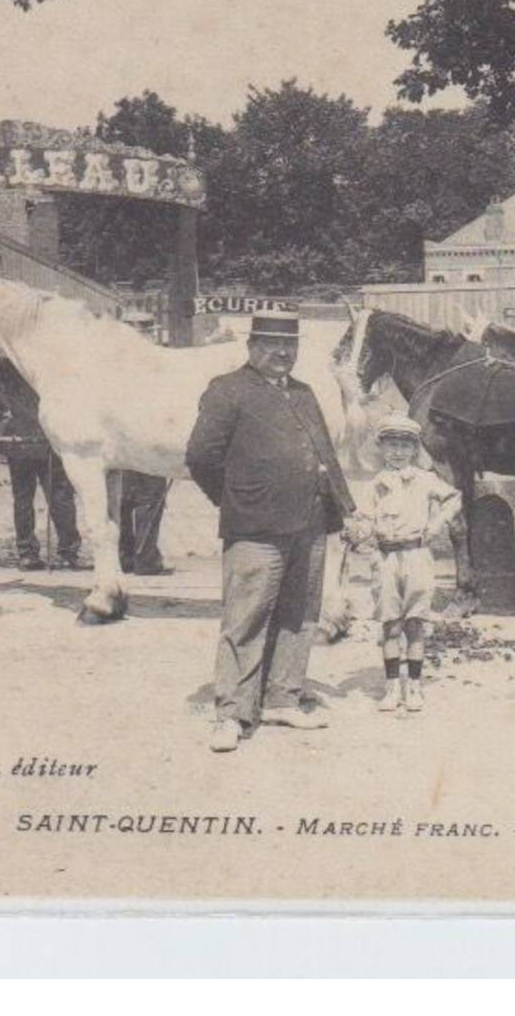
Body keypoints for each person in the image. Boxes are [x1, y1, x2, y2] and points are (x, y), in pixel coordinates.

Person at [186, 311, 356, 753]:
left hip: (311, 521)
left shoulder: (304, 392)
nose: (283, 354)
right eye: (272, 345)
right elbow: (201, 458)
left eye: (290, 346)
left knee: (300, 613)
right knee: (245, 618)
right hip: (255, 525)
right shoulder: (227, 391)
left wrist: (346, 508)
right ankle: (232, 712)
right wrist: (237, 499)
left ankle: (283, 696)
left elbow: (324, 452)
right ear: (252, 347)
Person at [345, 414, 461, 713]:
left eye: (405, 446)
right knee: (390, 624)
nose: (398, 452)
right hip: (385, 558)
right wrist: (360, 532)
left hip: (417, 556)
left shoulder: (425, 479)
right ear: (381, 448)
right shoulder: (374, 485)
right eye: (392, 445)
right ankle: (392, 684)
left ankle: (415, 685)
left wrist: (437, 523)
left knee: (415, 623)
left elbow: (454, 498)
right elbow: (365, 519)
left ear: (414, 449)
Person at [105, 311, 173, 576]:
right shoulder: (157, 363)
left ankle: (125, 557)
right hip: (149, 440)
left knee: (123, 501)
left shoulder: (111, 363)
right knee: (149, 500)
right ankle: (145, 558)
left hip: (121, 440)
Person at [0, 383, 83, 571]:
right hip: (34, 440)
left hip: (39, 440)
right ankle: (60, 552)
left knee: (52, 499)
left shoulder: (11, 368)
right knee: (50, 499)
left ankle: (36, 553)